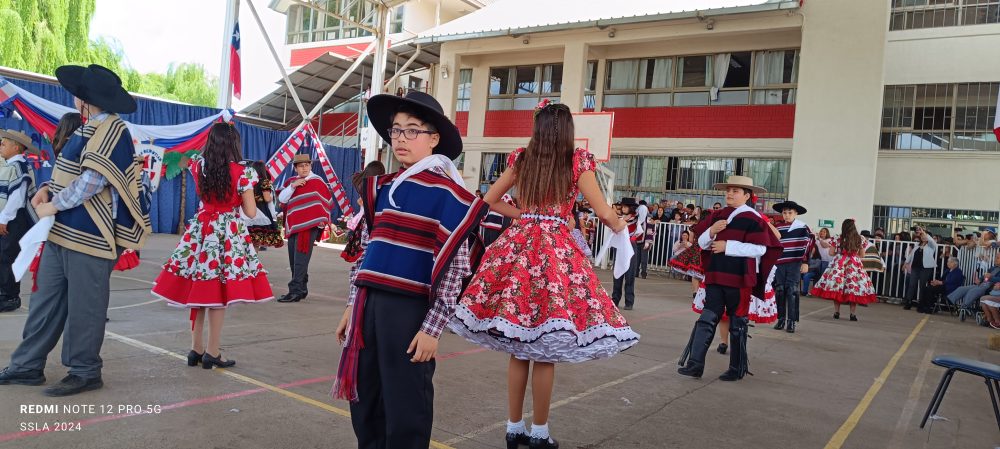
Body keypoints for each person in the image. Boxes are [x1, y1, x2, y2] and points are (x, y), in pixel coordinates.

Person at [449, 100, 637, 449]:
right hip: (554, 252)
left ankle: (513, 427)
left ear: (537, 128)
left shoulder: (522, 158)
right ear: (568, 130)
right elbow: (603, 211)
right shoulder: (577, 161)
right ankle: (539, 433)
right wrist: (619, 222)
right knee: (545, 352)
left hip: (518, 249)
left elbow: (488, 200)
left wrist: (522, 217)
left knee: (519, 347)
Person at [333, 91, 488, 449]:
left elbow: (454, 269)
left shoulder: (450, 195)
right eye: (396, 130)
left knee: (406, 409)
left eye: (412, 131)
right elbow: (368, 252)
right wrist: (352, 305)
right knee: (366, 402)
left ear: (434, 138)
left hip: (410, 313)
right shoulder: (382, 188)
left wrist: (433, 328)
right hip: (370, 306)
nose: (401, 139)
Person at [0, 64, 150, 396]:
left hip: (92, 234)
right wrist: (46, 189)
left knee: (86, 306)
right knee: (45, 301)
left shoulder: (113, 129)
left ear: (84, 99)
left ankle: (84, 370)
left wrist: (53, 204)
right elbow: (69, 174)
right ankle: (27, 366)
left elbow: (92, 181)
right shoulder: (86, 129)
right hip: (62, 230)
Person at [151, 123, 273, 368]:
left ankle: (195, 349)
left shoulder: (199, 165)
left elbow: (188, 164)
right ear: (233, 144)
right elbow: (250, 212)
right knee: (220, 293)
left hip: (201, 229)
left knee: (199, 288)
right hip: (227, 234)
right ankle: (213, 351)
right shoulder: (243, 172)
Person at [677, 175, 782, 381]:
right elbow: (704, 243)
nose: (730, 194)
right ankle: (695, 364)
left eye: (735, 191)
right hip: (716, 275)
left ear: (747, 195)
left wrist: (728, 247)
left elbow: (761, 248)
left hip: (740, 278)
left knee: (738, 323)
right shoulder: (718, 215)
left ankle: (737, 368)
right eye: (728, 190)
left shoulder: (754, 218)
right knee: (706, 319)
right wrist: (710, 231)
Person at [276, 154, 332, 303]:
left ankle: (294, 291)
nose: (304, 168)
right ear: (295, 168)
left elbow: (325, 201)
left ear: (310, 166)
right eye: (301, 166)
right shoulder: (292, 182)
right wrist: (293, 186)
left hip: (309, 226)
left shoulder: (317, 181)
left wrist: (319, 220)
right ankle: (302, 289)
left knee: (300, 259)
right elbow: (282, 199)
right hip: (294, 225)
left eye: (307, 165)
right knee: (294, 260)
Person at [0, 130, 40, 312]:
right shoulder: (12, 165)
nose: (1, 146)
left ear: (15, 147)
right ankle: (5, 291)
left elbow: (17, 197)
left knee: (7, 257)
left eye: (4, 144)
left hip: (15, 219)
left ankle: (10, 296)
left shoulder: (19, 167)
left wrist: (4, 219)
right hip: (10, 219)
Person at [810, 219, 878, 321]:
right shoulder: (860, 238)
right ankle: (852, 314)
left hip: (839, 264)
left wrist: (841, 253)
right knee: (853, 288)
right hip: (854, 265)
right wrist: (853, 255)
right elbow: (862, 255)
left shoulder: (837, 238)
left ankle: (836, 312)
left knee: (837, 288)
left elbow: (831, 253)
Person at [771, 201, 813, 333]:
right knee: (780, 290)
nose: (787, 215)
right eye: (784, 212)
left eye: (790, 213)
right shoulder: (777, 227)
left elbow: (808, 245)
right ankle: (781, 318)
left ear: (796, 213)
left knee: (792, 291)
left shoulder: (802, 227)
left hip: (795, 262)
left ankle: (792, 321)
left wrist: (806, 262)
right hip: (779, 262)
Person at [612, 197, 640, 309]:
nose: (622, 208)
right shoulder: (620, 218)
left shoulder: (634, 217)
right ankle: (615, 299)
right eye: (622, 206)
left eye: (625, 206)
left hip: (630, 246)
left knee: (630, 275)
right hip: (620, 246)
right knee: (617, 274)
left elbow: (618, 227)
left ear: (630, 208)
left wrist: (620, 219)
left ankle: (629, 301)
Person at [247, 160, 283, 249]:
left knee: (247, 239)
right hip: (261, 210)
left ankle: (245, 261)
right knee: (257, 241)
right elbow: (267, 199)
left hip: (247, 210)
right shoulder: (265, 182)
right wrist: (272, 198)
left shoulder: (249, 181)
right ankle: (253, 261)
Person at [902, 226, 937, 310]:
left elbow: (932, 241)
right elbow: (910, 255)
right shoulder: (917, 246)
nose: (923, 237)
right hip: (915, 267)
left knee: (922, 285)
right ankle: (909, 302)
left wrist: (923, 232)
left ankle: (921, 303)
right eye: (922, 236)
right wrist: (905, 263)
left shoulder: (931, 246)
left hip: (925, 268)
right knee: (912, 285)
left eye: (924, 236)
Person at [802, 227, 834, 295]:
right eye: (821, 231)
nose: (822, 232)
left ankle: (823, 292)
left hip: (827, 260)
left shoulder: (830, 240)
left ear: (827, 233)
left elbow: (824, 246)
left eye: (824, 232)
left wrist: (819, 239)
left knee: (825, 276)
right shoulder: (817, 240)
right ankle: (816, 291)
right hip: (819, 260)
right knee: (819, 276)